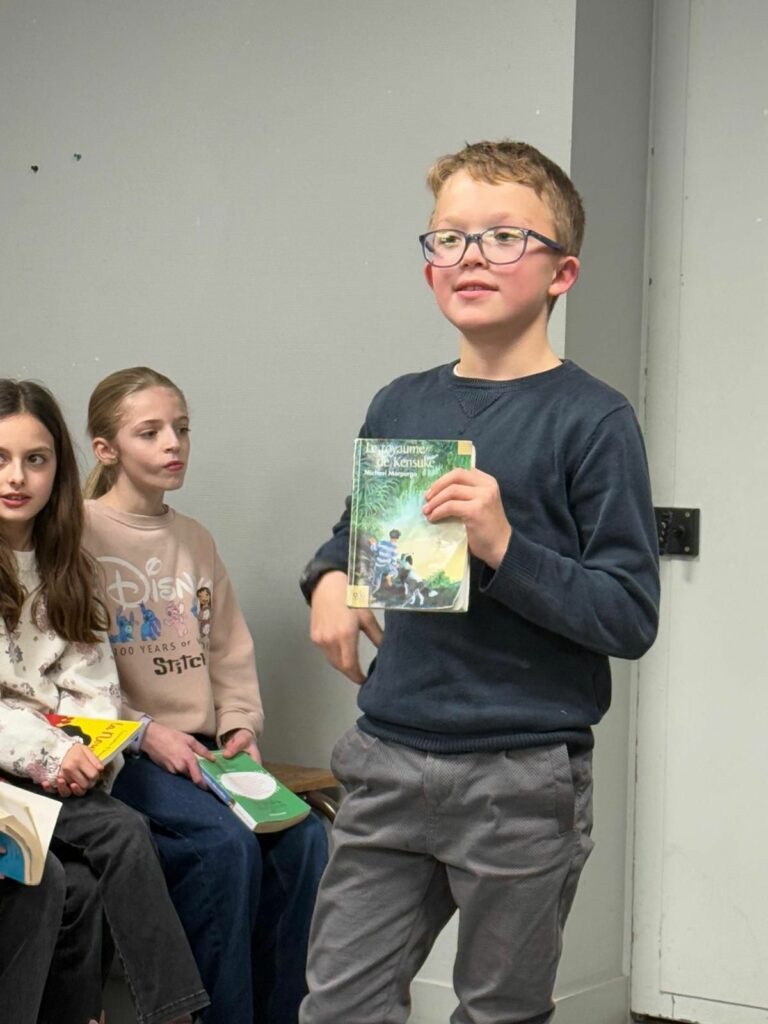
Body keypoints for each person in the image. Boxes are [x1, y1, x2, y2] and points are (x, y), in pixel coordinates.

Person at [298, 140, 660, 1024]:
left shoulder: (595, 419)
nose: (470, 257)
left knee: (500, 1010)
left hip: (521, 775)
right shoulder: (400, 403)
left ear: (561, 272)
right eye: (449, 238)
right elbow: (358, 533)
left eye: (503, 237)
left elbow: (627, 614)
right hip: (387, 755)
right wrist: (329, 579)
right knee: (338, 1005)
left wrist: (503, 544)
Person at [82, 366, 328, 1024]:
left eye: (182, 428)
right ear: (106, 448)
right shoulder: (74, 534)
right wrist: (144, 732)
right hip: (124, 754)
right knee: (223, 847)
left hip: (203, 750)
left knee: (304, 841)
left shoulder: (194, 538)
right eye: (150, 432)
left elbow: (227, 648)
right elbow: (75, 678)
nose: (174, 444)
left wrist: (241, 724)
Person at [0, 378, 208, 1024]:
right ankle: (176, 1015)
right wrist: (49, 752)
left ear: (59, 469)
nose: (17, 477)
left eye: (35, 459)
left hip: (52, 771)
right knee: (122, 832)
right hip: (12, 767)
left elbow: (94, 683)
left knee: (78, 883)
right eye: (0, 459)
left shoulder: (68, 565)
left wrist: (80, 754)